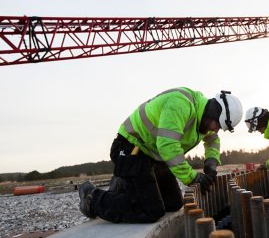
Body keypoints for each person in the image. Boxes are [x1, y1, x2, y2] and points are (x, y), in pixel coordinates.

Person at [79, 87, 243, 223]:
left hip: (152, 156)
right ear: (214, 112)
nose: (215, 130)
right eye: (217, 125)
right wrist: (193, 177)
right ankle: (92, 198)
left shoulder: (204, 119)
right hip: (131, 148)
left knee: (173, 203)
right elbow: (168, 146)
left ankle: (125, 182)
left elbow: (212, 140)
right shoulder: (180, 105)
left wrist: (211, 164)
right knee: (151, 211)